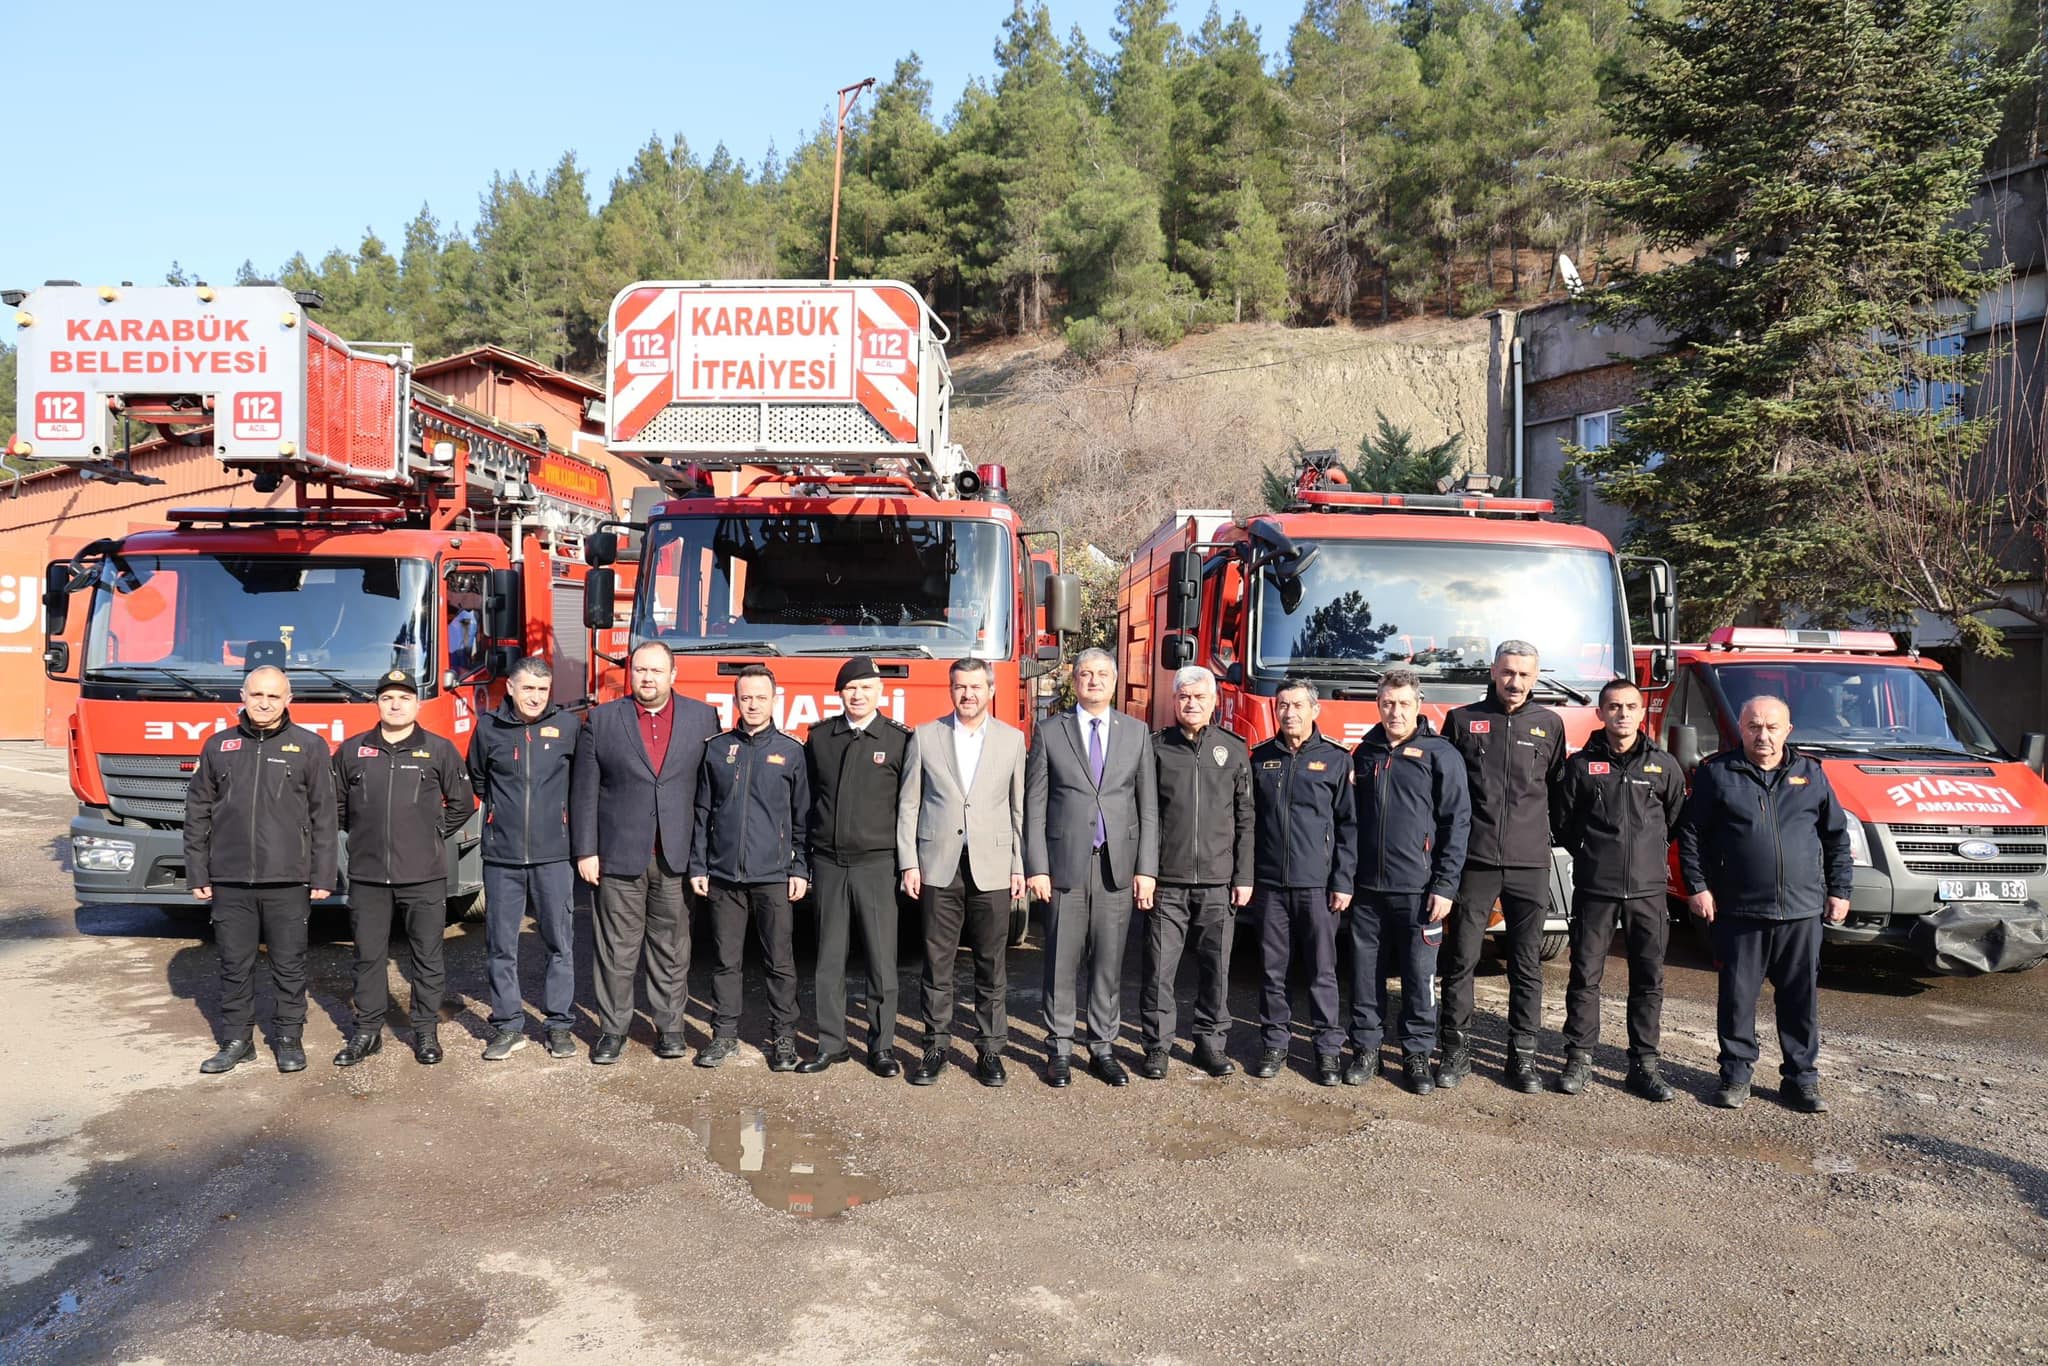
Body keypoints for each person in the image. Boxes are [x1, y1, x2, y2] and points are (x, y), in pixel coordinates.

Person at [1678, 695, 1852, 1113]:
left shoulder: (1810, 773)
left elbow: (1836, 837)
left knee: (1800, 1001)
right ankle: (1736, 1076)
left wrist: (1840, 890)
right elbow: (1691, 836)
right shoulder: (1717, 773)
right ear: (1741, 727)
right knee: (1737, 999)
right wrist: (1697, 887)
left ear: (1787, 730)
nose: (1763, 735)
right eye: (1754, 726)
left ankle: (1801, 1080)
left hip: (1802, 910)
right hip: (1739, 911)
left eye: (1772, 727)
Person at [570, 641, 720, 1065]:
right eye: (640, 671)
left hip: (676, 856)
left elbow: (710, 790)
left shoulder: (702, 717)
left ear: (674, 675)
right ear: (630, 674)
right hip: (618, 856)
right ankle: (612, 1030)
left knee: (672, 948)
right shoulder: (601, 720)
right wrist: (586, 850)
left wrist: (705, 855)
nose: (647, 678)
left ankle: (670, 1027)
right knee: (616, 950)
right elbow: (584, 793)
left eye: (656, 671)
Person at [185, 666, 337, 1075]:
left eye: (273, 696)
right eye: (257, 695)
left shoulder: (309, 746)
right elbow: (197, 812)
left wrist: (324, 875)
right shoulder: (219, 746)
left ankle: (289, 1039)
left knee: (290, 965)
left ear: (288, 700)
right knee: (235, 965)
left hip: (287, 878)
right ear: (243, 696)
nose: (264, 703)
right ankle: (237, 1041)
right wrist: (198, 871)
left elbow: (325, 814)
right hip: (230, 878)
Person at [1438, 640, 1568, 1092]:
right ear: (1494, 671)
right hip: (1474, 861)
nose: (1515, 683)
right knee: (1461, 960)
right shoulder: (1460, 720)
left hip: (1530, 863)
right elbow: (1447, 791)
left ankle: (1523, 1059)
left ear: (1536, 677)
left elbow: (1557, 788)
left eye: (1525, 675)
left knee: (1527, 964)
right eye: (1508, 673)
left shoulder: (1550, 724)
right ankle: (1455, 1052)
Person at [1026, 648, 1158, 1088]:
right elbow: (1035, 804)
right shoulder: (1049, 731)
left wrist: (1147, 869)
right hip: (1065, 867)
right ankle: (1059, 1048)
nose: (1094, 681)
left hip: (1116, 869)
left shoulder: (1137, 733)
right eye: (1086, 674)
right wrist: (1037, 867)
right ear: (1074, 680)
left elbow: (1148, 808)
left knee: (1108, 964)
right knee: (1061, 963)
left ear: (1115, 681)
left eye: (1103, 674)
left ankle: (1102, 1047)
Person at [1550, 679, 1687, 1101]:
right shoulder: (1579, 766)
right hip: (1596, 888)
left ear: (1642, 713)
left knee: (1648, 979)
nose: (1622, 714)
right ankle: (1579, 1059)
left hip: (1648, 891)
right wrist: (1594, 854)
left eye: (1630, 706)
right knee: (1585, 976)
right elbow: (1563, 823)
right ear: (1600, 713)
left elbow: (1676, 821)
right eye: (1613, 707)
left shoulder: (1664, 766)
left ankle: (1643, 1065)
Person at [896, 657, 1028, 1088]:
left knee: (992, 964)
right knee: (938, 963)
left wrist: (1017, 867)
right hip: (939, 866)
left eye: (975, 686)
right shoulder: (925, 736)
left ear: (990, 691)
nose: (967, 694)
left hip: (991, 867)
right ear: (950, 690)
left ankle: (990, 1049)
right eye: (960, 687)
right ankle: (935, 1046)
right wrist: (909, 861)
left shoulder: (1012, 741)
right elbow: (910, 804)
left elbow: (1017, 810)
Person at [331, 669, 473, 1067]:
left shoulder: (440, 750)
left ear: (416, 704)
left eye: (404, 698)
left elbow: (462, 802)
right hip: (368, 875)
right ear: (378, 703)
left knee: (426, 956)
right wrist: (364, 835)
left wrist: (430, 832)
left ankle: (425, 1030)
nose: (395, 704)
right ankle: (367, 1031)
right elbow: (336, 804)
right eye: (388, 698)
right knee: (367, 956)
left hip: (424, 874)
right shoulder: (352, 751)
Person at [1347, 669, 1469, 1095]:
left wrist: (1445, 885)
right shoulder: (1364, 753)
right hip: (1366, 892)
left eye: (1402, 703)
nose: (1394, 711)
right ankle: (1366, 1049)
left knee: (1420, 977)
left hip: (1420, 893)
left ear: (1418, 704)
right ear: (1378, 705)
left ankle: (1417, 1053)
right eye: (1387, 703)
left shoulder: (1440, 754)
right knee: (1365, 976)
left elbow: (1457, 823)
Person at [690, 665, 810, 1071]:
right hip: (723, 876)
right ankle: (723, 1036)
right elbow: (702, 810)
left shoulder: (792, 751)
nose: (753, 704)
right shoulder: (717, 748)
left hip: (774, 877)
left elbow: (802, 818)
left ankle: (784, 1039)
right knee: (726, 962)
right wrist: (698, 865)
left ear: (775, 699)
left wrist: (800, 868)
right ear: (735, 700)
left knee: (779, 962)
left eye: (761, 696)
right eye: (746, 697)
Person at [799, 658, 912, 1077]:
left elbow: (908, 807)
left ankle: (881, 1047)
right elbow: (806, 802)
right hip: (829, 863)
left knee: (882, 961)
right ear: (840, 694)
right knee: (829, 958)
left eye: (866, 688)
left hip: (877, 864)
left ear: (880, 692)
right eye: (850, 689)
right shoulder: (820, 738)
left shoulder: (899, 741)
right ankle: (832, 1044)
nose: (858, 695)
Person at [1141, 664, 1251, 1080]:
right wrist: (1146, 872)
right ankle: (1157, 1047)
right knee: (1158, 970)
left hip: (1218, 883)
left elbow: (1246, 817)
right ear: (1174, 701)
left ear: (1214, 703)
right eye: (1184, 697)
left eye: (1200, 697)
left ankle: (1210, 1044)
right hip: (1167, 882)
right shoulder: (1155, 748)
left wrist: (1244, 876)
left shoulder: (1233, 749)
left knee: (1216, 970)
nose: (1191, 703)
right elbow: (1146, 815)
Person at [467, 655, 579, 1062]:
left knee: (559, 943)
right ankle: (507, 1025)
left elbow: (579, 784)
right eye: (527, 688)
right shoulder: (487, 728)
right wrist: (499, 815)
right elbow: (479, 778)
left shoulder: (568, 727)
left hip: (554, 854)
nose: (535, 696)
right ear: (510, 689)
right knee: (501, 944)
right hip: (503, 856)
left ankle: (559, 1025)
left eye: (542, 689)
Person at [1248, 679, 1358, 1086]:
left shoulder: (1335, 759)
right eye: (1282, 706)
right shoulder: (1260, 759)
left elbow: (1349, 827)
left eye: (1297, 705)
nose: (1289, 713)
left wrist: (1343, 881)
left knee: (1322, 971)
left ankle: (1327, 1050)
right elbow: (1248, 822)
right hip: (1270, 885)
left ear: (1315, 710)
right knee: (1272, 970)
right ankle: (1275, 1043)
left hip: (1318, 887)